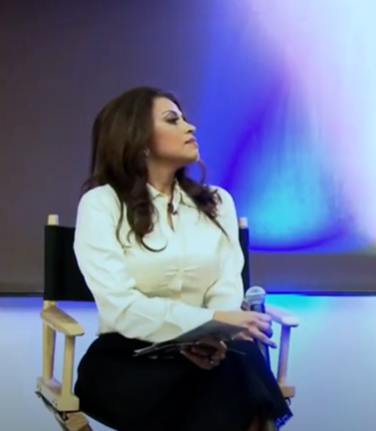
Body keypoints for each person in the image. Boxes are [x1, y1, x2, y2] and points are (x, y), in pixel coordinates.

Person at [73, 86, 293, 431]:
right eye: (172, 120)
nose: (190, 127)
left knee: (237, 363)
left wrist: (216, 334)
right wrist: (205, 321)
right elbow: (120, 308)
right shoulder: (102, 204)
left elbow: (226, 286)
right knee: (234, 380)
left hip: (210, 351)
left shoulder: (217, 202)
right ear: (139, 139)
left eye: (185, 119)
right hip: (130, 358)